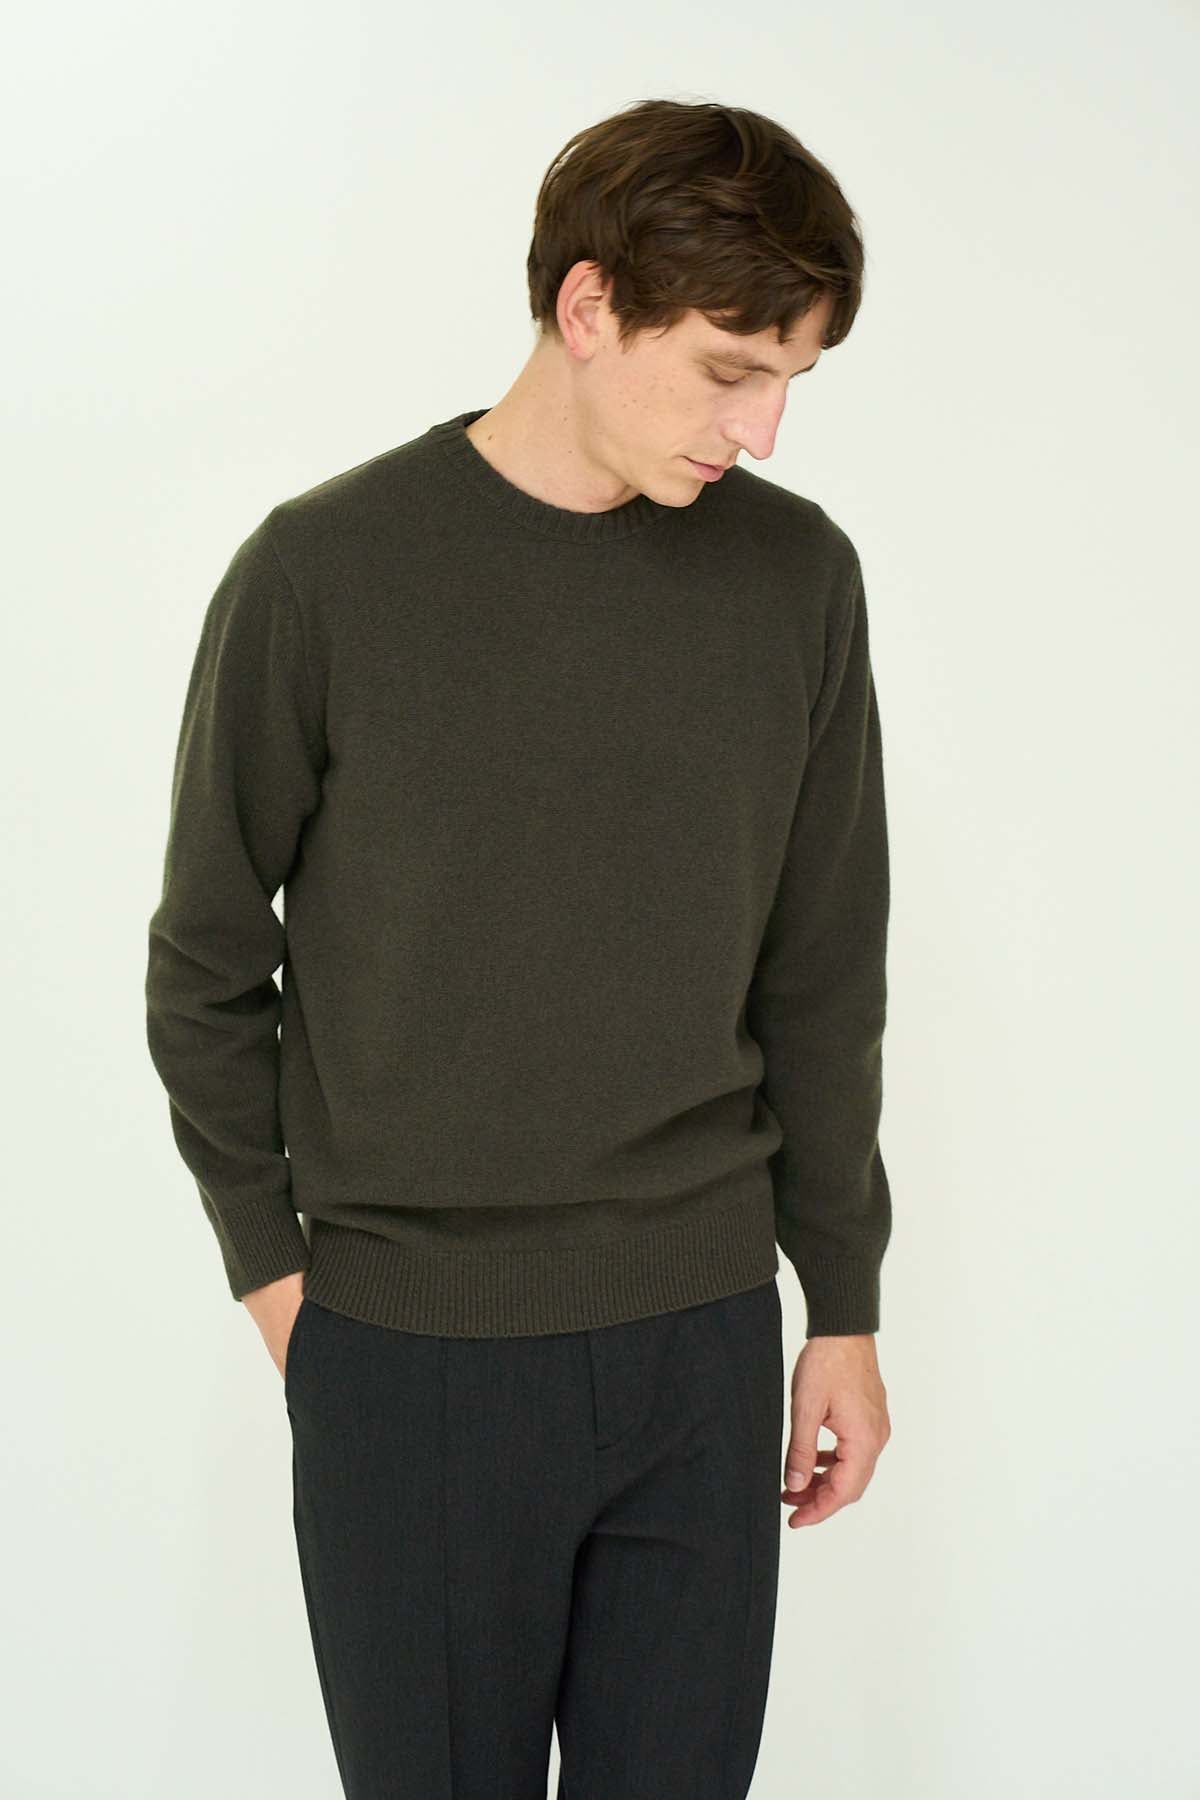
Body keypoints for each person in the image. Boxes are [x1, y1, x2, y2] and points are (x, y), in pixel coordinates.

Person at [145, 94, 893, 1800]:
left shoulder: (797, 579)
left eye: (792, 378)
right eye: (730, 370)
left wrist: (841, 1304)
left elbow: (822, 967)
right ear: (588, 305)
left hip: (702, 1346)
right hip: (409, 1361)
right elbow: (205, 963)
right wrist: (286, 1288)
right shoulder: (324, 574)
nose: (764, 429)